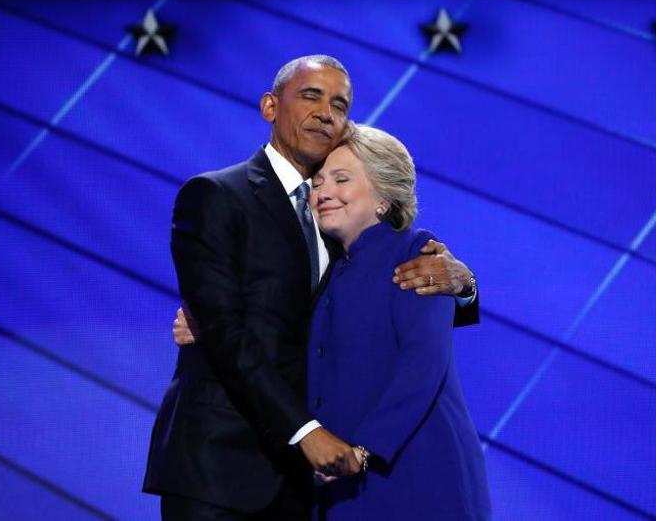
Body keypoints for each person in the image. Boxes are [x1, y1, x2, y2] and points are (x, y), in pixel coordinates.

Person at [144, 55, 479, 520]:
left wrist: (464, 283)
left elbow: (391, 306)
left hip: (312, 482)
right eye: (311, 95)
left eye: (339, 104)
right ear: (269, 107)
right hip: (221, 467)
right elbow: (224, 327)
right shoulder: (216, 196)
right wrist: (305, 431)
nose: (326, 111)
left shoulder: (340, 226)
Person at [307, 124, 491, 519]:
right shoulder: (326, 269)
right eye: (318, 182)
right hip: (345, 485)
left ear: (384, 199)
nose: (323, 192)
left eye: (341, 179)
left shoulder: (417, 253)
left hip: (416, 477)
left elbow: (422, 364)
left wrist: (364, 449)